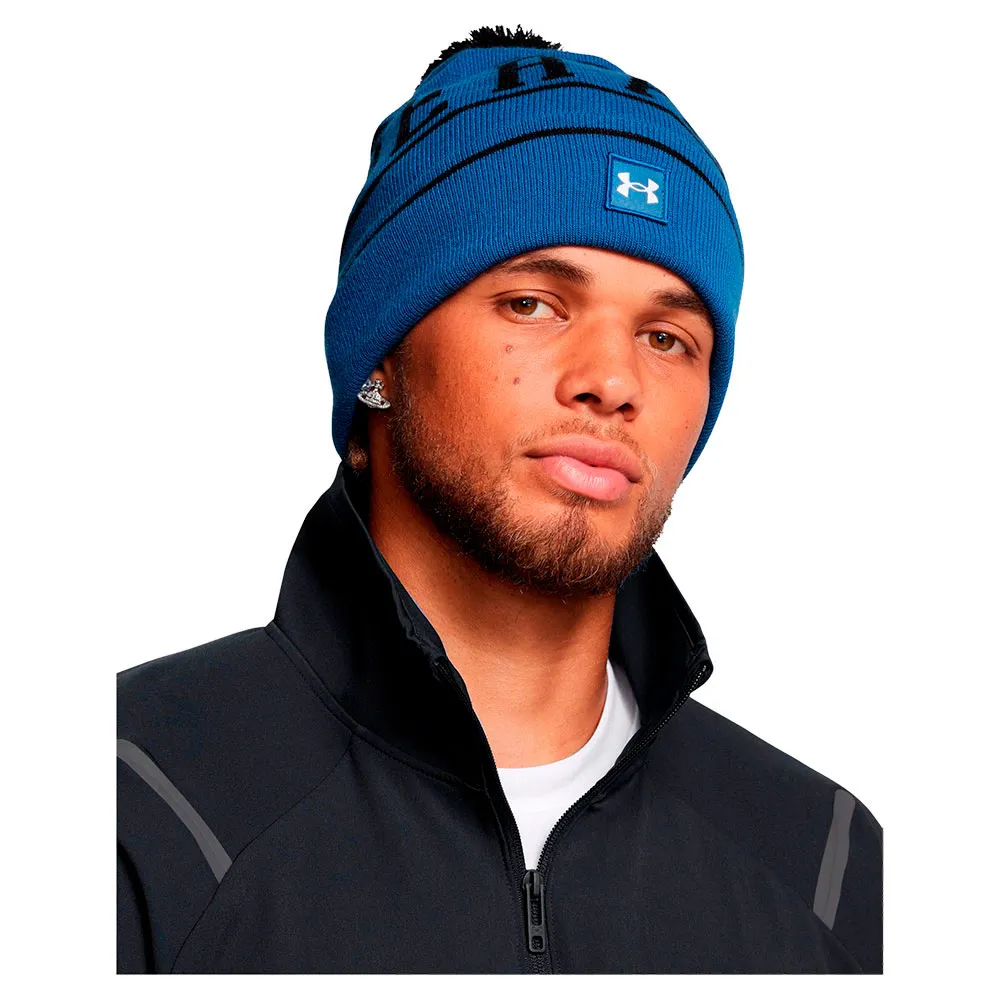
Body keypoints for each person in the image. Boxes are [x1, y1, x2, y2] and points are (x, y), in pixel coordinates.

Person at [117, 26, 882, 974]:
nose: (614, 382)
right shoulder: (130, 804)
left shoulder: (829, 868)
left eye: (668, 338)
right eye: (533, 303)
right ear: (380, 357)